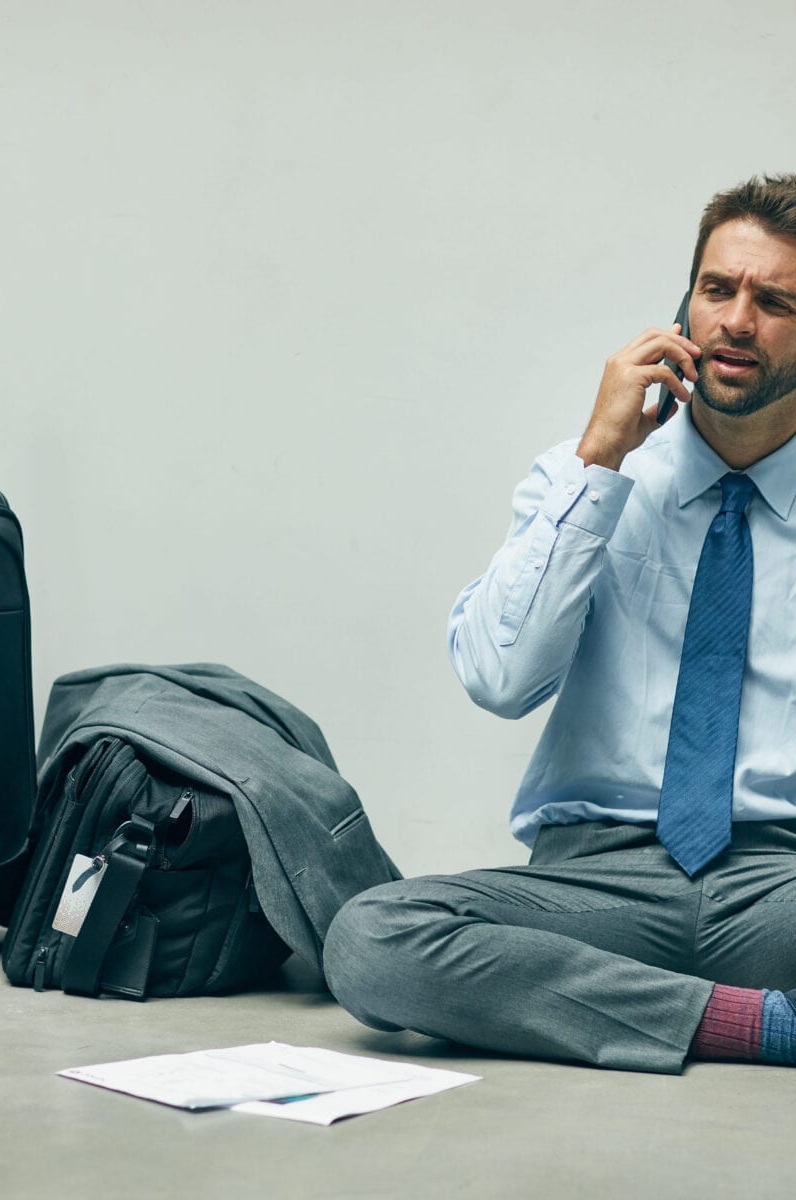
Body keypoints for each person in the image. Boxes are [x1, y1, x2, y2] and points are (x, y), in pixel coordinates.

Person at [323, 174, 796, 1074]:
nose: (737, 321)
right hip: (599, 882)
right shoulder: (581, 479)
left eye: (775, 301)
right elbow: (500, 681)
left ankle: (612, 1012)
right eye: (717, 289)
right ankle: (763, 1027)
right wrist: (600, 459)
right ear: (681, 304)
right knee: (372, 936)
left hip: (777, 882)